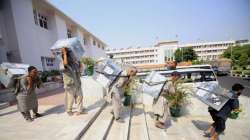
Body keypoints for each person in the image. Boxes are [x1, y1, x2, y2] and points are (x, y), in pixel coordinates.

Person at [61, 48, 86, 116]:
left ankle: (79, 110)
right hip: (70, 85)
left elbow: (80, 69)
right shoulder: (62, 63)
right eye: (70, 56)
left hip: (77, 83)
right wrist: (65, 53)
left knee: (80, 97)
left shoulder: (74, 64)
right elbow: (65, 63)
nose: (72, 57)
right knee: (70, 99)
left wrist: (79, 60)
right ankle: (69, 110)